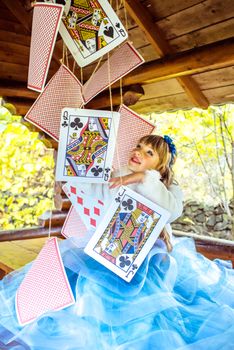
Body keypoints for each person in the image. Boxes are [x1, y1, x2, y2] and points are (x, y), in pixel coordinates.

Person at [0, 135, 233, 350]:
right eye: (139, 147)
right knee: (86, 284)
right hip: (112, 247)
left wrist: (144, 178)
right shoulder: (117, 177)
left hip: (149, 257)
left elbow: (172, 211)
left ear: (161, 165)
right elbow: (95, 196)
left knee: (141, 306)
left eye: (149, 153)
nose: (139, 152)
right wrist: (79, 170)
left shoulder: (166, 186)